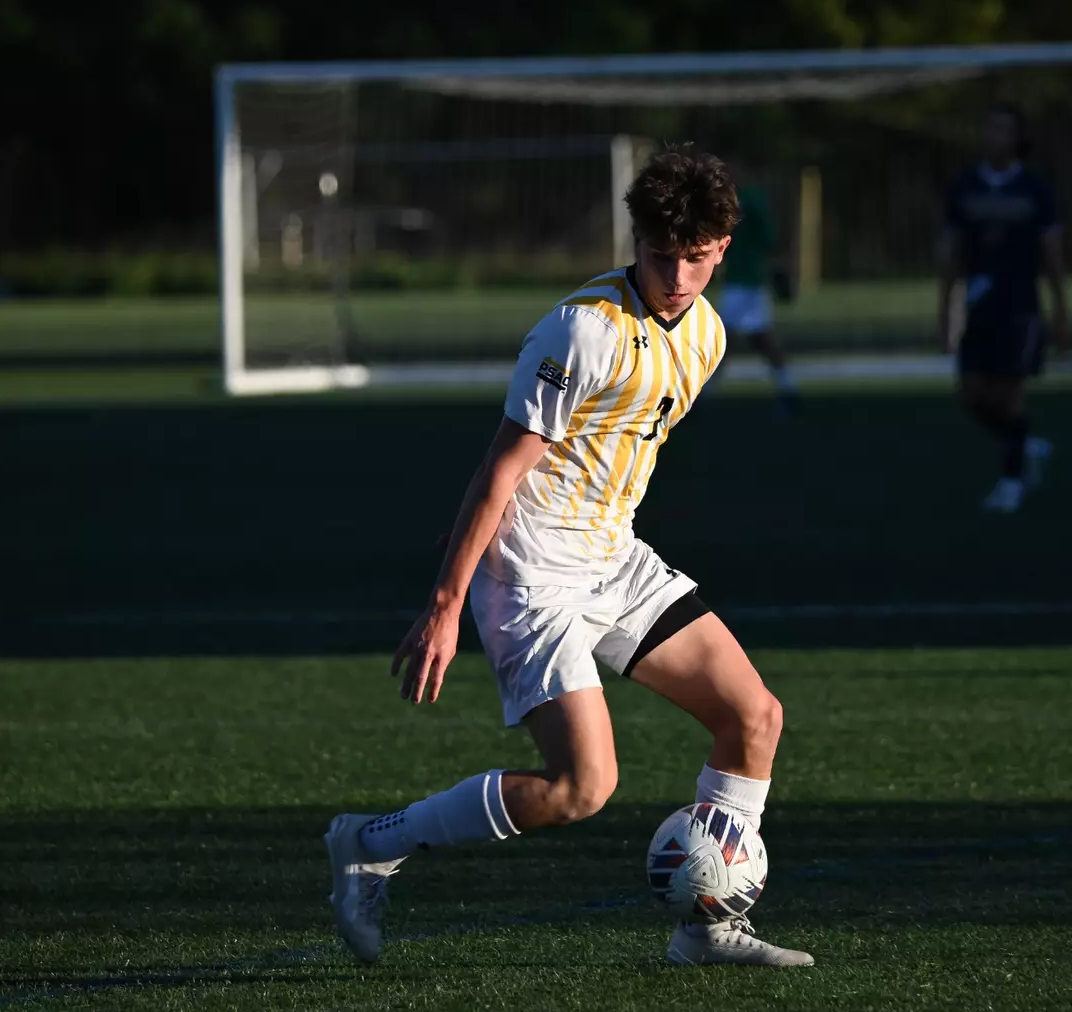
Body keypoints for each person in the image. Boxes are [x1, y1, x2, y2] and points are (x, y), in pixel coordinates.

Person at [325, 144, 813, 969]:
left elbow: (605, 450)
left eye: (697, 260)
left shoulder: (710, 338)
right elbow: (503, 466)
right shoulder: (582, 328)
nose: (678, 278)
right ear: (638, 240)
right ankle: (370, 844)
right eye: (663, 257)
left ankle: (705, 927)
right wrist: (447, 605)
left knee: (754, 718)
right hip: (531, 573)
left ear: (722, 248)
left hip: (611, 557)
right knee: (580, 789)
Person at [938, 104, 1070, 513]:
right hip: (978, 308)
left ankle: (1011, 484)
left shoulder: (1035, 189)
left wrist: (1061, 311)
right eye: (989, 127)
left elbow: (1052, 255)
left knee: (1010, 396)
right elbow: (951, 255)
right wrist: (944, 311)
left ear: (1018, 138)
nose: (994, 135)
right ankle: (1026, 443)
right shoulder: (965, 187)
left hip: (1020, 308)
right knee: (972, 395)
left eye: (1003, 129)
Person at [717, 181, 797, 408]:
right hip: (737, 279)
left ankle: (787, 387)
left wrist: (781, 267)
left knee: (736, 340)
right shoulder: (728, 197)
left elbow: (769, 239)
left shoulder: (750, 199)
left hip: (748, 280)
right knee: (741, 339)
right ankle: (788, 388)